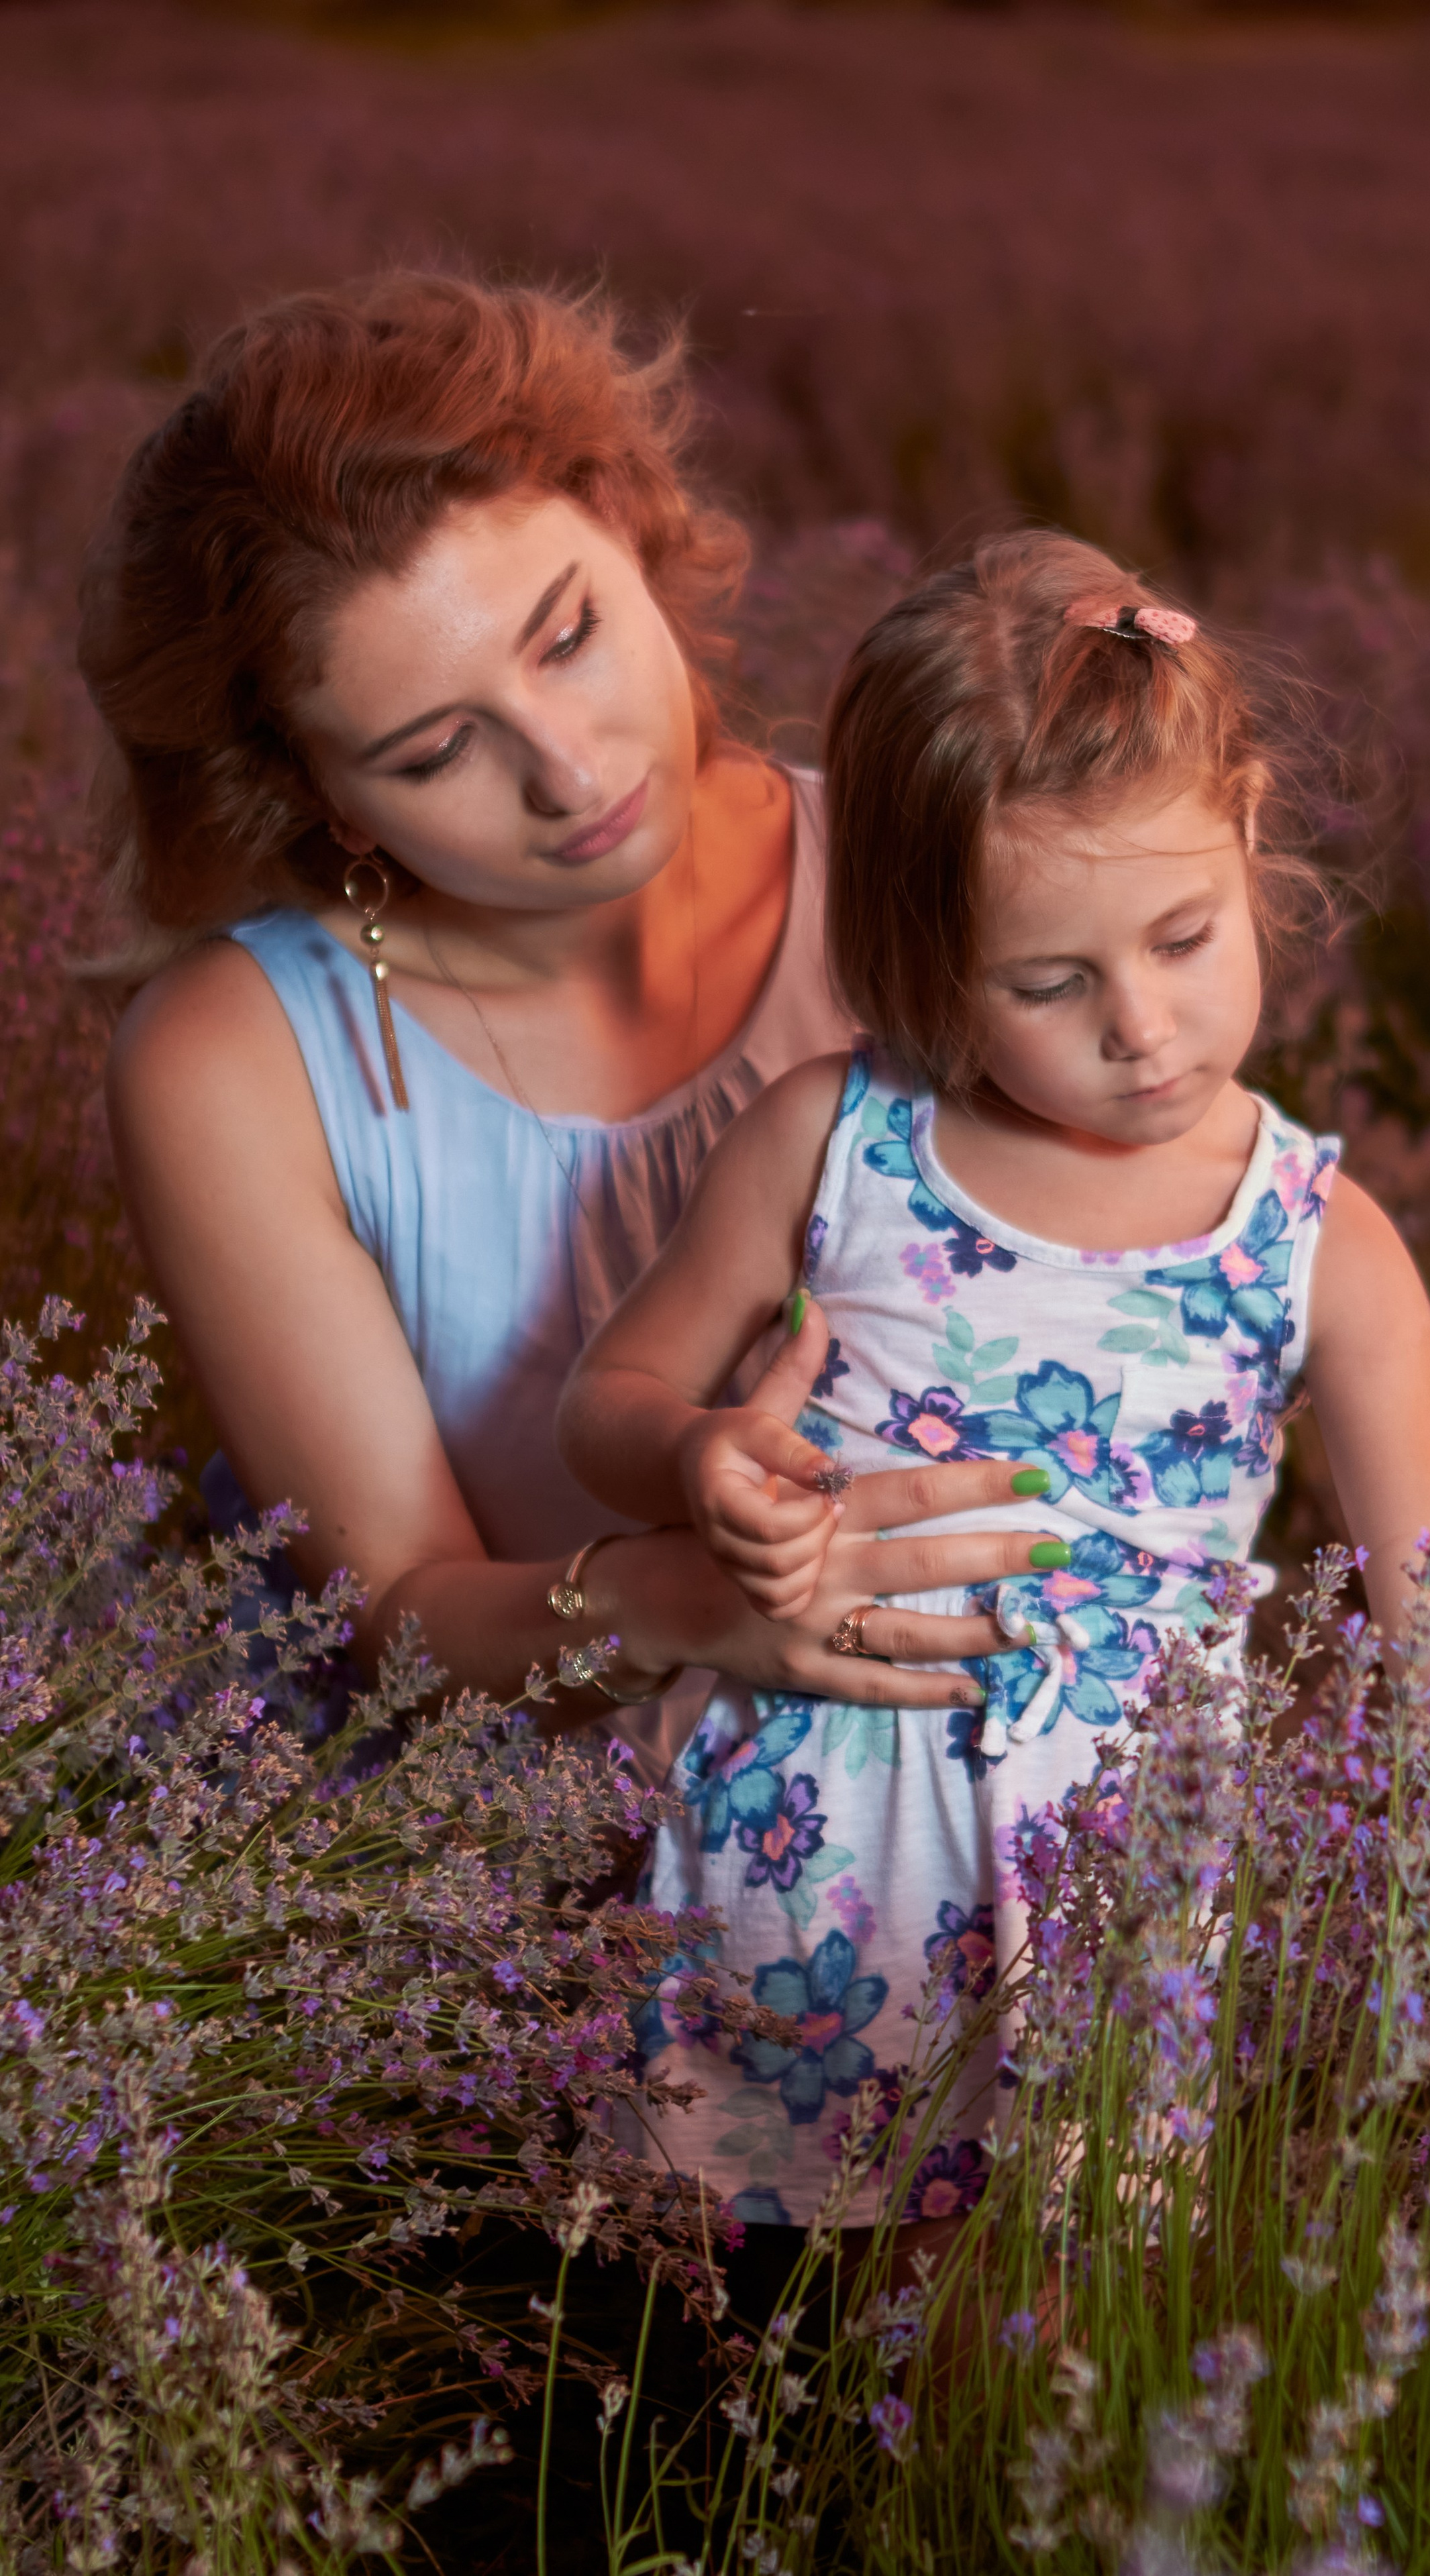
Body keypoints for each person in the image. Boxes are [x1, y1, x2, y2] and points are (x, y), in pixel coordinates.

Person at [560, 531, 1430, 2233]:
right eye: (1048, 984)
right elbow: (605, 1404)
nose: (1140, 1024)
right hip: (787, 1855)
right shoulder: (835, 1142)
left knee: (1041, 2325)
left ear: (1250, 828)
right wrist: (696, 1455)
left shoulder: (1311, 1239)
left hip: (1103, 1896)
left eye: (1184, 937)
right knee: (721, 2338)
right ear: (924, 951)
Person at [86, 270, 1046, 1805]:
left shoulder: (918, 870)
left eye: (569, 634)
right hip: (527, 1899)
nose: (566, 768)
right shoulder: (235, 1062)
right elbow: (391, 1615)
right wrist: (680, 1604)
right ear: (314, 794)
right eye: (436, 749)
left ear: (626, 519)